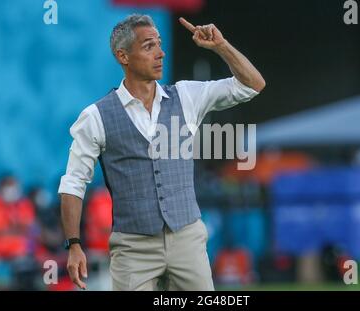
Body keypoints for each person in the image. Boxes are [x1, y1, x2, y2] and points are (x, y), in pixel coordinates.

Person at [58, 14, 265, 291]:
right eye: (148, 46)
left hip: (187, 239)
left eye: (159, 44)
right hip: (133, 247)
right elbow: (73, 183)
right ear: (123, 56)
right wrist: (74, 245)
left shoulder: (187, 96)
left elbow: (253, 85)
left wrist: (221, 46)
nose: (160, 53)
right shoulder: (95, 116)